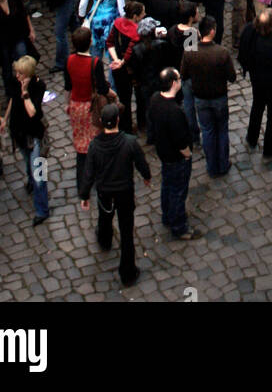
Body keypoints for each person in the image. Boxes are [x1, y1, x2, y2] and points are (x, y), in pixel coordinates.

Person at [80, 102, 152, 286]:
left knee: (105, 216)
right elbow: (141, 162)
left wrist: (85, 195)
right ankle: (127, 272)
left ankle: (105, 239)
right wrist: (146, 176)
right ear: (118, 120)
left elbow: (88, 173)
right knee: (126, 230)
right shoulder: (129, 142)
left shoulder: (95, 146)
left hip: (105, 192)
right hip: (124, 192)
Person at [181, 15, 236, 177]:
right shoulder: (221, 52)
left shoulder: (190, 52)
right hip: (219, 97)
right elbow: (232, 77)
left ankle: (211, 166)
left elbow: (184, 74)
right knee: (222, 130)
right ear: (212, 32)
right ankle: (223, 164)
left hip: (200, 98)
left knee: (208, 131)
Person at [148, 67, 199, 240]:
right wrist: (187, 154)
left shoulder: (155, 99)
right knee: (178, 190)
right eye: (178, 78)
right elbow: (180, 141)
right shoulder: (175, 112)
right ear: (173, 83)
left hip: (163, 153)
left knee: (167, 185)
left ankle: (167, 215)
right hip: (176, 157)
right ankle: (179, 226)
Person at [2, 55, 49, 227]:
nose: (17, 76)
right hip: (19, 132)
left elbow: (32, 113)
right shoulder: (15, 82)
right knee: (28, 162)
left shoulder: (38, 86)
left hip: (35, 134)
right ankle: (30, 182)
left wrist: (25, 93)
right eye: (16, 72)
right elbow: (12, 101)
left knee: (40, 174)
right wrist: (4, 119)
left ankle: (42, 209)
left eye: (20, 73)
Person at [64, 25, 110, 193]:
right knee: (95, 143)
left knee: (80, 144)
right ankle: (99, 178)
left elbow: (68, 85)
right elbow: (102, 88)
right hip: (90, 107)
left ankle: (82, 184)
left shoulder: (68, 60)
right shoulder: (94, 63)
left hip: (76, 105)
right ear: (89, 42)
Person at [238, 7, 272, 158]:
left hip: (256, 78)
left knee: (257, 106)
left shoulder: (249, 32)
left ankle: (252, 137)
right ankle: (269, 147)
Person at [106, 1, 145, 133]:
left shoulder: (117, 23)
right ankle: (141, 122)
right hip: (134, 69)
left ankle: (125, 125)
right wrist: (122, 61)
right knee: (139, 95)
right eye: (142, 13)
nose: (144, 15)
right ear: (135, 16)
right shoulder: (136, 31)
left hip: (119, 69)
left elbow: (110, 42)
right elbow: (129, 52)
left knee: (124, 98)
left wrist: (116, 60)